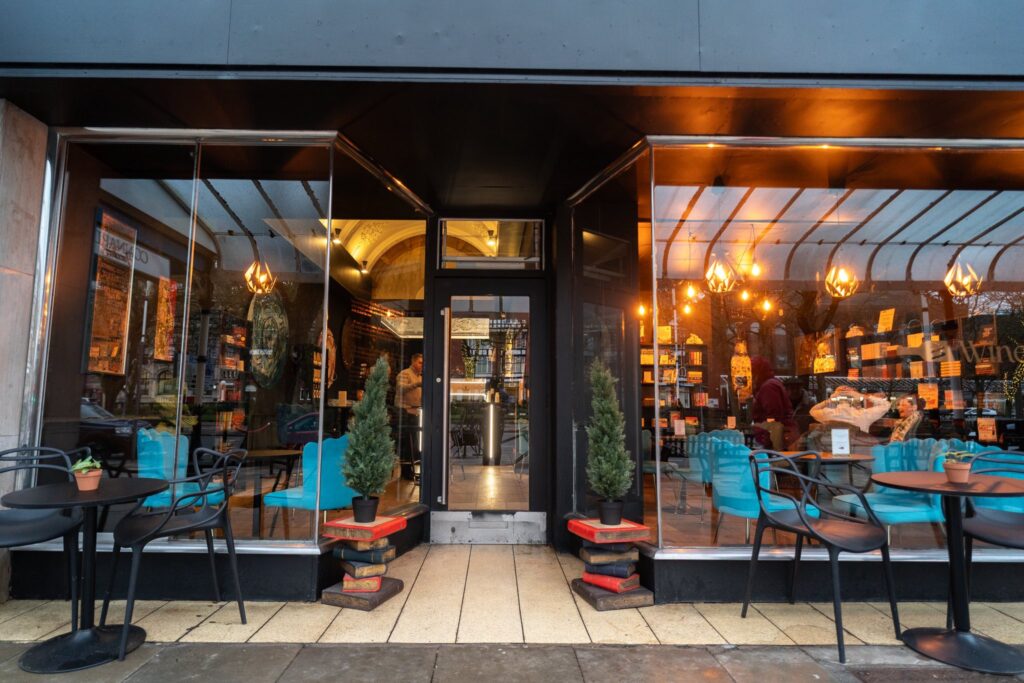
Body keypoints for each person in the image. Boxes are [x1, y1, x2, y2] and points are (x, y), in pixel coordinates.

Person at [751, 356, 799, 449]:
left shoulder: (768, 387)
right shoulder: (770, 385)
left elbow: (774, 415)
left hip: (778, 439)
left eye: (752, 371)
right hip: (778, 437)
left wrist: (768, 439)